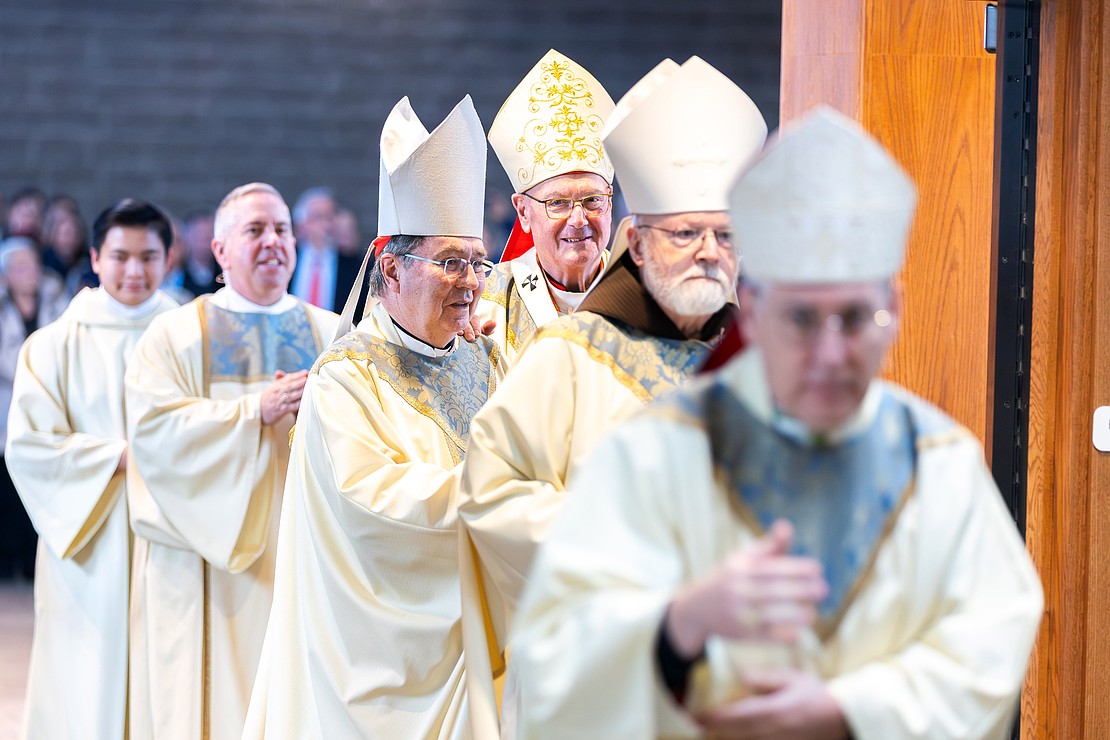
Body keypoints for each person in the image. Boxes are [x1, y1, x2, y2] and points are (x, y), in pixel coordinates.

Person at [510, 107, 1045, 739]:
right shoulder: (657, 454)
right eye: (800, 320)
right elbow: (552, 655)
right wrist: (679, 624)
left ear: (895, 310)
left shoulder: (937, 461)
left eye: (856, 319)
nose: (829, 353)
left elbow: (994, 629)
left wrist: (848, 711)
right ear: (754, 311)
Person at [458, 56, 769, 737]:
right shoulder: (564, 353)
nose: (708, 254)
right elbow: (487, 491)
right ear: (643, 241)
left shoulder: (755, 362)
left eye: (726, 236)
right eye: (686, 234)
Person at [243, 95, 505, 739]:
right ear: (390, 270)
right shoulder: (346, 379)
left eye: (478, 262)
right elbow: (376, 497)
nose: (470, 281)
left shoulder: (481, 358)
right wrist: (505, 494)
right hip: (379, 665)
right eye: (450, 262)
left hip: (476, 642)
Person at [124, 182, 338, 740]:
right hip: (204, 566)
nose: (273, 242)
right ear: (219, 251)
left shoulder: (333, 333)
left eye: (282, 229)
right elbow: (152, 432)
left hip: (301, 556)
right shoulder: (174, 334)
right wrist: (253, 412)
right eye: (255, 230)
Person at [6, 199, 177, 739]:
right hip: (89, 539)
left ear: (167, 259)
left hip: (176, 538)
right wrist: (118, 457)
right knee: (87, 681)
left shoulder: (192, 336)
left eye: (148, 257)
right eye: (120, 256)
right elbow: (30, 448)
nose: (134, 271)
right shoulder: (54, 345)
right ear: (95, 258)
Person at [474, 49, 617, 362]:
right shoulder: (481, 306)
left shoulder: (644, 297)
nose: (578, 219)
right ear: (523, 211)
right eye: (559, 203)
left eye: (593, 200)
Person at [0, 237, 69, 581]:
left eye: (33, 266)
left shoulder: (57, 304)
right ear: (6, 275)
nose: (30, 274)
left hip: (46, 406)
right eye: (20, 267)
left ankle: (34, 561)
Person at [289, 186, 362, 313]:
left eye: (331, 217)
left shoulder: (354, 266)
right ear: (302, 223)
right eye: (318, 217)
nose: (327, 225)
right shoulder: (287, 258)